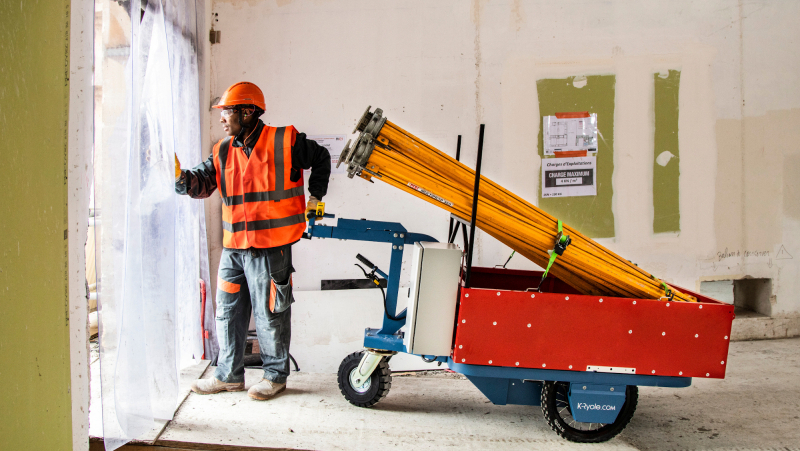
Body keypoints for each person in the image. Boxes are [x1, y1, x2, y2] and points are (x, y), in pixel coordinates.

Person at [175, 81, 330, 400]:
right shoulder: (221, 150)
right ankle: (228, 376)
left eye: (226, 111)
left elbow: (322, 157)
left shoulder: (284, 141)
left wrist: (316, 197)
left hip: (272, 246)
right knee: (227, 311)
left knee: (270, 312)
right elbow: (202, 184)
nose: (221, 118)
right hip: (234, 248)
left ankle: (275, 376)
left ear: (247, 112)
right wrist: (177, 176)